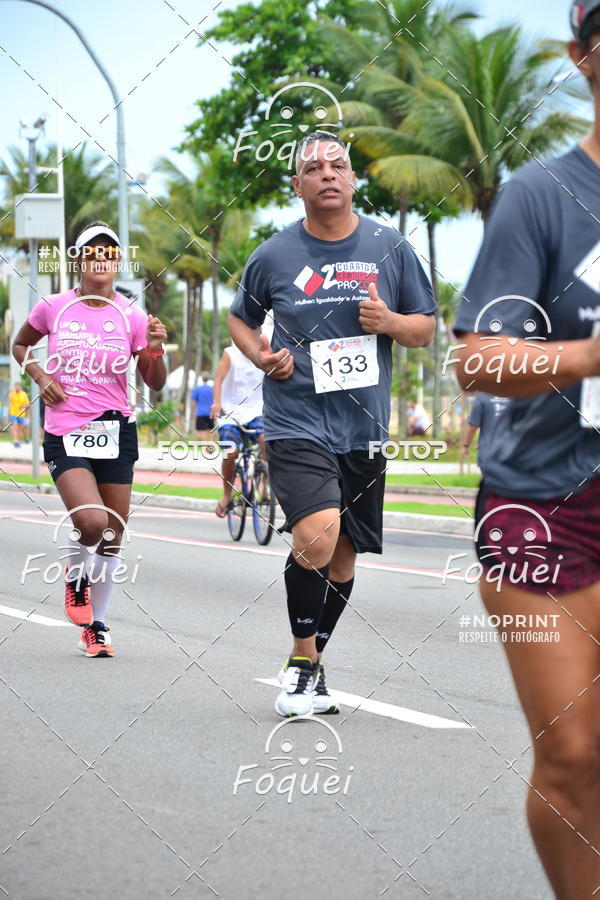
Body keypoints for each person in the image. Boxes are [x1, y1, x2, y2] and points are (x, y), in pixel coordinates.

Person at [453, 4, 600, 895]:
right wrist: (587, 355)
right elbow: (477, 357)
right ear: (584, 57)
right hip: (545, 503)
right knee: (576, 754)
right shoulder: (541, 196)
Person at [229, 130, 436, 717]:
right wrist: (262, 356)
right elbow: (240, 320)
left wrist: (390, 320)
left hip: (364, 425)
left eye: (337, 165)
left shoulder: (389, 246)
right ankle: (299, 662)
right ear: (297, 185)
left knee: (343, 557)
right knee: (316, 537)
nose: (327, 173)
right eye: (314, 167)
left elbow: (424, 329)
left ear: (351, 180)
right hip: (296, 419)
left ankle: (312, 663)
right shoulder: (273, 255)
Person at [12, 221, 167, 658]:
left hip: (117, 430)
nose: (102, 257)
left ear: (117, 260)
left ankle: (96, 627)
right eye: (92, 251)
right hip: (67, 430)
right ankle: (75, 577)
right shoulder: (55, 308)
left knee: (114, 535)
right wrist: (40, 374)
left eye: (110, 251)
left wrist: (154, 348)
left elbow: (153, 381)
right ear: (79, 259)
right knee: (92, 523)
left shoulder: (132, 315)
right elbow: (20, 345)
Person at [210, 344, 264, 518]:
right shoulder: (230, 354)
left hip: (257, 412)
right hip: (230, 414)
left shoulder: (265, 350)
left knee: (268, 442)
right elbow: (218, 379)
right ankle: (226, 494)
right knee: (231, 452)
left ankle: (266, 484)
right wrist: (217, 402)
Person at [461, 393, 509, 471]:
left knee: (490, 480)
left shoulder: (482, 397)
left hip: (488, 451)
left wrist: (466, 446)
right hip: (511, 451)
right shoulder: (516, 395)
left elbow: (473, 427)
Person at [192, 371, 214, 440]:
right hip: (210, 412)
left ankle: (205, 446)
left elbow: (193, 402)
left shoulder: (197, 389)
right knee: (210, 430)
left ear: (202, 378)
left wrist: (193, 412)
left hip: (200, 413)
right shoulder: (212, 389)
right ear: (208, 378)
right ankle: (210, 446)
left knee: (202, 431)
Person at [8, 382, 29, 447]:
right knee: (15, 427)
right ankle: (16, 441)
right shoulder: (12, 394)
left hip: (21, 414)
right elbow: (9, 401)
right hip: (13, 413)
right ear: (14, 387)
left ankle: (18, 440)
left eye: (18, 387)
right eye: (15, 387)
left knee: (20, 429)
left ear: (20, 387)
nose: (16, 388)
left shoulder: (24, 394)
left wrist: (23, 406)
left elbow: (28, 404)